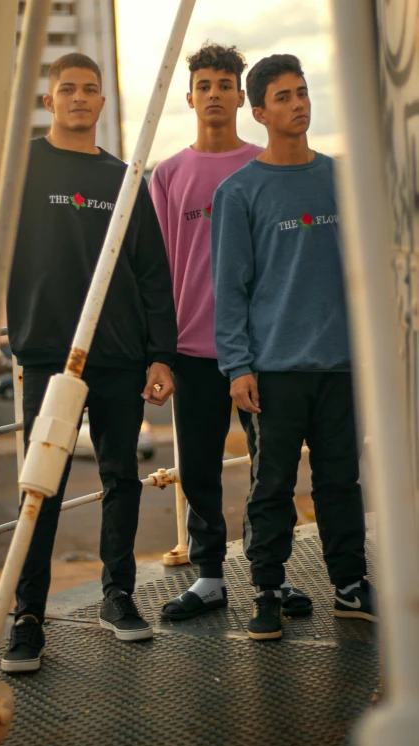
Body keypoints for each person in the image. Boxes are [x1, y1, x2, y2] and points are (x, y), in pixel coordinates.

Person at [2, 53, 177, 672]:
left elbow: (153, 272)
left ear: (103, 103)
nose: (80, 98)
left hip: (120, 352)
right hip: (47, 351)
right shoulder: (19, 166)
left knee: (121, 479)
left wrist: (161, 354)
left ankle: (118, 596)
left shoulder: (124, 177)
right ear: (49, 101)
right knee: (40, 489)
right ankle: (27, 618)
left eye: (91, 90)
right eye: (68, 89)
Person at [211, 54, 377, 641]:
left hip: (340, 364)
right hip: (274, 369)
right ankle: (266, 590)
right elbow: (229, 289)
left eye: (302, 92)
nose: (298, 104)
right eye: (282, 97)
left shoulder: (340, 179)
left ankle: (351, 585)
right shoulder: (239, 192)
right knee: (272, 485)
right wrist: (237, 366)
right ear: (258, 112)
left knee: (340, 482)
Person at [149, 43, 311, 622]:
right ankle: (210, 577)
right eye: (204, 84)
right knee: (197, 470)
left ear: (242, 97)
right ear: (188, 95)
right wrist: (159, 354)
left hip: (262, 351)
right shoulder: (167, 176)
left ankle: (276, 574)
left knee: (273, 470)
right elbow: (159, 270)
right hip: (194, 352)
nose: (214, 93)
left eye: (225, 83)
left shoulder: (263, 167)